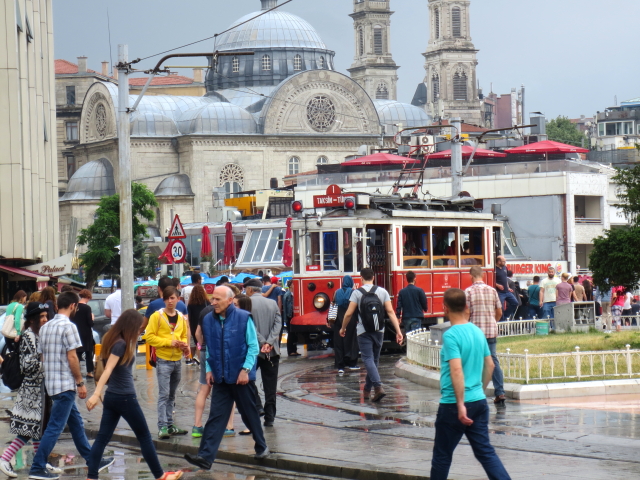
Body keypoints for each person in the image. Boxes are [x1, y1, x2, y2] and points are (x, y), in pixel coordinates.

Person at [85, 310, 183, 480]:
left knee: (102, 438)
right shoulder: (120, 344)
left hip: (113, 397)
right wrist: (96, 393)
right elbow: (108, 369)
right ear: (130, 326)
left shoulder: (113, 340)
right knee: (144, 436)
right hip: (125, 397)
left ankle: (91, 477)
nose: (140, 331)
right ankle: (160, 476)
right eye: (139, 328)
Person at [28, 291, 113, 480]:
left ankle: (93, 461)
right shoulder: (69, 327)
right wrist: (80, 382)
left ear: (58, 305)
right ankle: (37, 466)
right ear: (74, 306)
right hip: (65, 385)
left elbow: (42, 356)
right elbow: (72, 357)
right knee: (55, 427)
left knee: (76, 424)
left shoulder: (45, 327)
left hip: (52, 384)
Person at [184, 286, 269, 471]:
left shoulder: (243, 318)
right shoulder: (208, 319)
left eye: (217, 299)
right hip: (220, 378)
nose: (213, 302)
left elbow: (253, 347)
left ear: (230, 300)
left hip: (240, 377)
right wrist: (208, 370)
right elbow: (209, 349)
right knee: (215, 417)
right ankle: (205, 457)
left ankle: (261, 446)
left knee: (249, 414)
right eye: (212, 299)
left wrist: (245, 370)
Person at [429, 288, 511, 480]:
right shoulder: (477, 331)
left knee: (442, 455)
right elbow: (490, 365)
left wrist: (460, 405)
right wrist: (479, 391)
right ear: (466, 306)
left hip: (453, 405)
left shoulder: (450, 336)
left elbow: (456, 370)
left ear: (445, 308)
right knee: (485, 452)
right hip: (478, 402)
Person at [0, 302, 58, 478]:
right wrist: (47, 364)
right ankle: (5, 459)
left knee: (37, 430)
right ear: (32, 319)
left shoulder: (38, 334)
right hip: (31, 392)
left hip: (41, 390)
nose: (45, 319)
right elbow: (27, 366)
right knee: (29, 430)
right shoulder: (27, 336)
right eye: (41, 317)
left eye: (46, 316)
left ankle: (41, 462)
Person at [339, 268, 403, 402]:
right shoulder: (382, 292)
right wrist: (398, 331)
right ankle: (367, 390)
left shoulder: (357, 293)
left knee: (368, 359)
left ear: (361, 278)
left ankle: (378, 387)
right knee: (374, 361)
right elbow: (390, 312)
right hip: (379, 330)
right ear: (373, 277)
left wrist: (343, 328)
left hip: (363, 331)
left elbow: (349, 313)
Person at [143, 286, 190, 439]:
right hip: (163, 360)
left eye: (172, 298)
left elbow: (183, 335)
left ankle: (170, 424)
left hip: (177, 360)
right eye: (167, 298)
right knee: (164, 394)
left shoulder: (181, 317)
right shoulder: (157, 316)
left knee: (172, 394)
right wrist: (170, 342)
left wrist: (183, 345)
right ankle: (162, 426)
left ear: (178, 299)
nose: (170, 301)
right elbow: (149, 337)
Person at [192, 294, 237, 438]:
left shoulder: (205, 312)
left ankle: (197, 425)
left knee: (204, 388)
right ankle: (228, 426)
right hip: (220, 353)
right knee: (228, 390)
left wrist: (200, 346)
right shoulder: (227, 313)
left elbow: (197, 332)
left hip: (205, 351)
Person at [465, 266, 505, 407]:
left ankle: (476, 393)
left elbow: (466, 313)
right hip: (491, 331)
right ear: (482, 275)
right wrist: (493, 321)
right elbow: (499, 311)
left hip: (475, 333)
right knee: (493, 361)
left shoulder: (468, 292)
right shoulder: (492, 290)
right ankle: (500, 392)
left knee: (475, 362)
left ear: (471, 276)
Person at [246, 279, 282, 427]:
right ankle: (270, 417)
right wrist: (270, 342)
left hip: (254, 351)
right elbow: (278, 324)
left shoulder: (247, 304)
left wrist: (262, 342)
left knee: (248, 380)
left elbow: (250, 327)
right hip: (272, 351)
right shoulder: (272, 303)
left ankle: (258, 405)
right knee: (270, 386)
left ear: (249, 290)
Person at [332, 276, 359, 374]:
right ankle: (351, 363)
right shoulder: (353, 292)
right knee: (351, 340)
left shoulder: (336, 292)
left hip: (338, 319)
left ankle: (340, 365)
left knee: (339, 342)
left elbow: (333, 304)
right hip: (350, 319)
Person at [73, 290, 95, 379]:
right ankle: (89, 372)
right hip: (86, 332)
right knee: (89, 352)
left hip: (76, 332)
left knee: (77, 352)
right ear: (88, 297)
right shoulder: (87, 308)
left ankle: (76, 372)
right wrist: (92, 318)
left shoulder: (74, 306)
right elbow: (90, 323)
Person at [187, 285, 208, 366]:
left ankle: (192, 358)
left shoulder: (191, 304)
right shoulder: (207, 302)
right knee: (202, 342)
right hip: (204, 324)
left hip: (193, 325)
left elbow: (189, 316)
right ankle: (200, 359)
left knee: (196, 343)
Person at [494, 256, 518, 322]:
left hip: (506, 291)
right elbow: (492, 280)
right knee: (500, 307)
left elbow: (505, 279)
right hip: (499, 292)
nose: (505, 263)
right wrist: (497, 285)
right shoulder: (494, 269)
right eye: (504, 261)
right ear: (499, 262)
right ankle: (501, 321)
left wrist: (508, 287)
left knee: (515, 303)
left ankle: (505, 315)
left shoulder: (505, 268)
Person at [282, 281, 299, 357]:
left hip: (294, 316)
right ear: (291, 285)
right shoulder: (287, 295)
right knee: (291, 333)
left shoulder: (295, 294)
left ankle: (294, 350)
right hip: (290, 316)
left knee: (294, 334)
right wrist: (285, 318)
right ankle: (290, 350)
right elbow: (285, 308)